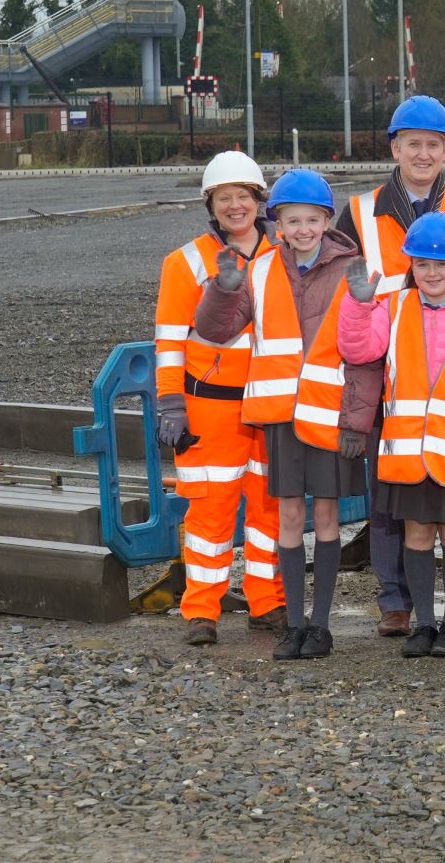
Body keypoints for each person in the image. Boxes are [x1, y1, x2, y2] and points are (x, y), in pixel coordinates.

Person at [333, 94, 445, 639]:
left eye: (433, 144)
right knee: (390, 502)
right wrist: (400, 298)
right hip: (388, 382)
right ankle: (395, 601)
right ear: (394, 147)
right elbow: (345, 299)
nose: (422, 154)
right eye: (412, 144)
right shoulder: (358, 213)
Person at [193, 169, 368, 661]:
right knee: (290, 515)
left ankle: (322, 624)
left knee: (329, 518)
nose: (304, 229)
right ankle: (294, 623)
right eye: (293, 220)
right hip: (283, 418)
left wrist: (357, 420)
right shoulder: (262, 269)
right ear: (279, 223)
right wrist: (223, 290)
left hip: (331, 414)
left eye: (313, 219)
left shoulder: (352, 268)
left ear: (327, 221)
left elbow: (366, 353)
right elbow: (216, 331)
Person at [338, 212, 445, 659]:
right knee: (415, 535)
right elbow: (358, 349)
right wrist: (357, 305)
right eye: (423, 265)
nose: (432, 273)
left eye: (443, 264)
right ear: (411, 266)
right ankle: (423, 625)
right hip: (407, 455)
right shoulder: (392, 309)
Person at [154, 151, 285, 647]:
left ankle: (266, 601)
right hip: (210, 406)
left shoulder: (284, 255)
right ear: (211, 204)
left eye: (244, 196)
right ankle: (202, 611)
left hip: (270, 405)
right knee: (210, 513)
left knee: (269, 507)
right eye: (225, 197)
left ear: (259, 201)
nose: (236, 206)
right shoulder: (185, 263)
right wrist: (170, 402)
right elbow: (168, 341)